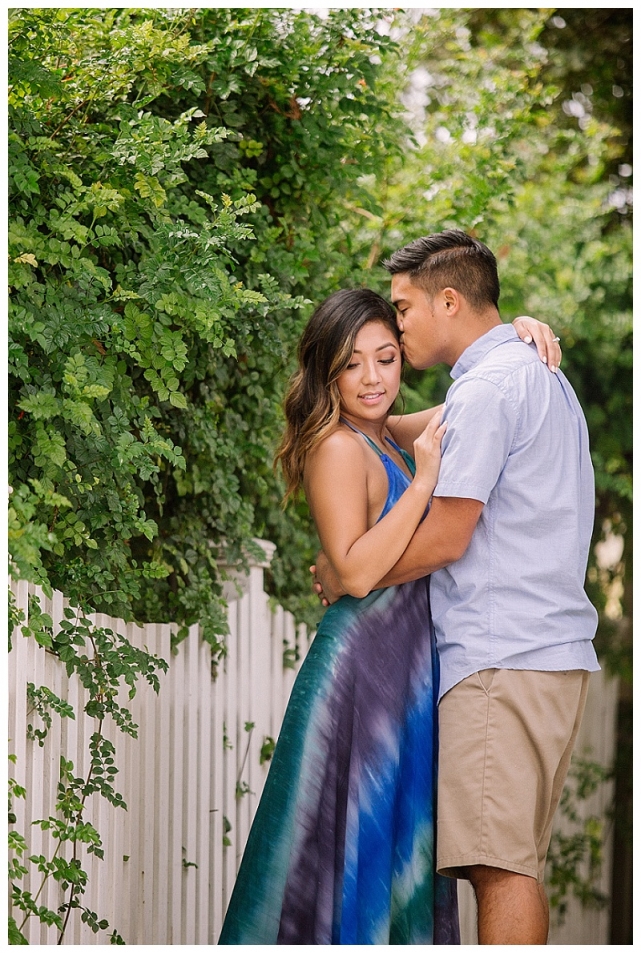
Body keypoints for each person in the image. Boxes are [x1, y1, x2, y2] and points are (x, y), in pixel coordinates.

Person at [219, 285, 557, 945]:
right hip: (358, 678)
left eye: (385, 358)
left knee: (382, 853)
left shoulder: (384, 436)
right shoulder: (338, 446)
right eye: (352, 363)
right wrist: (426, 482)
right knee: (339, 861)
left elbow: (476, 402)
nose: (372, 378)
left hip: (402, 678)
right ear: (327, 371)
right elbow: (355, 569)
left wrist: (517, 336)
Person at [312, 230, 600, 945]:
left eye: (404, 310)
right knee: (509, 861)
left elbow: (446, 536)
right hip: (546, 652)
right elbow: (380, 428)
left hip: (503, 657)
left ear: (448, 300)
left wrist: (352, 573)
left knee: (498, 868)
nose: (398, 323)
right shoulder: (530, 373)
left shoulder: (491, 385)